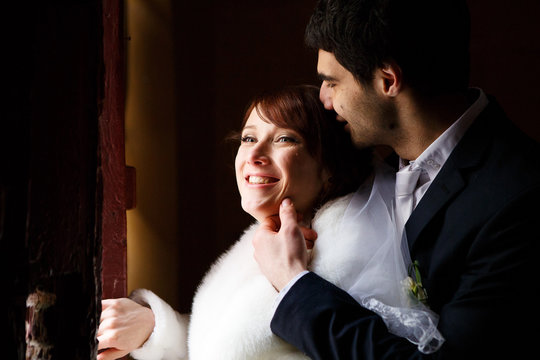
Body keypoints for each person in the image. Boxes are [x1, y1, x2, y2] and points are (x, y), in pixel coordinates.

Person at [252, 1, 540, 359]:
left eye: (332, 82)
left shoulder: (520, 200)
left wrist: (295, 285)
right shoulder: (358, 172)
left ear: (388, 80)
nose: (324, 100)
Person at [97, 85, 444, 360]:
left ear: (329, 168)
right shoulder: (269, 240)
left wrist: (293, 279)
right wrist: (155, 328)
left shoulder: (345, 257)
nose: (254, 155)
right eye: (248, 138)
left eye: (284, 139)